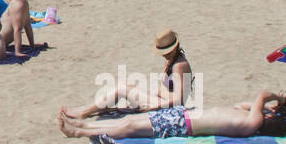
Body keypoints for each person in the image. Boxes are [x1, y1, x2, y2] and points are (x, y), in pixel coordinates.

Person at [61, 28, 192, 119]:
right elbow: (163, 89)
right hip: (161, 101)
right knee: (127, 86)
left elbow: (179, 100)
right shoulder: (172, 60)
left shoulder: (179, 66)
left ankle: (84, 112)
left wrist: (154, 106)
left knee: (123, 88)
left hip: (169, 108)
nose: (164, 56)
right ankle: (86, 109)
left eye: (166, 52)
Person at [57, 91, 286, 141]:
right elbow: (243, 102)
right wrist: (270, 107)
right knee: (128, 121)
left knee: (129, 127)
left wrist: (274, 99)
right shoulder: (250, 117)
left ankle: (78, 131)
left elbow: (260, 96)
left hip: (183, 125)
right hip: (183, 117)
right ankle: (83, 124)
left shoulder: (253, 123)